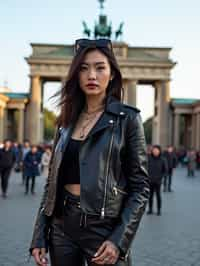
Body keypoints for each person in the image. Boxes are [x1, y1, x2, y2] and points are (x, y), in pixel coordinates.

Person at [30, 38, 149, 266]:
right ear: (76, 75)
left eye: (100, 67)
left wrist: (119, 240)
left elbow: (140, 187)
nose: (91, 75)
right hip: (62, 228)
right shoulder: (65, 122)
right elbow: (51, 184)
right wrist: (39, 235)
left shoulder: (128, 119)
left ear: (112, 73)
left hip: (104, 230)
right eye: (83, 68)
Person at [147, 145, 167, 216]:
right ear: (152, 151)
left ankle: (159, 210)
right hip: (150, 181)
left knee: (158, 196)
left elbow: (165, 171)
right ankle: (150, 209)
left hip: (158, 181)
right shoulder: (149, 158)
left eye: (157, 150)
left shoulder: (162, 159)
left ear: (159, 151)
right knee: (150, 196)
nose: (155, 151)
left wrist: (161, 177)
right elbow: (145, 168)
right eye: (154, 150)